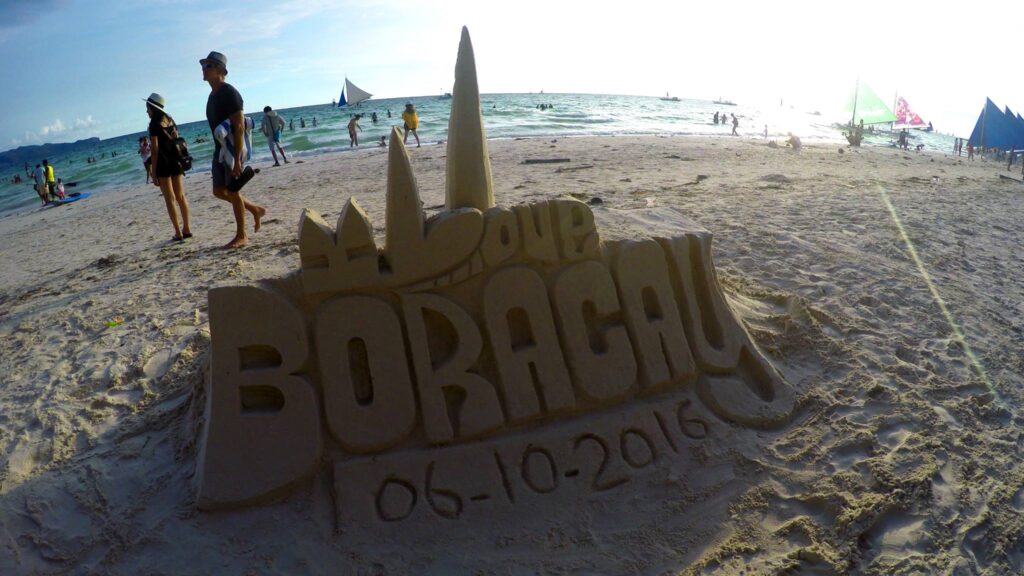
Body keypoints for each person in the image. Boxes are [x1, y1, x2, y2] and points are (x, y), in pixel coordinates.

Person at [201, 51, 265, 249]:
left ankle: (242, 235)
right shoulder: (212, 96)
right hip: (219, 149)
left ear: (221, 70)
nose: (204, 68)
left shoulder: (229, 93)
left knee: (233, 190)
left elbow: (238, 126)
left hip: (232, 150)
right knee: (219, 191)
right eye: (203, 65)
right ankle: (255, 209)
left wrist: (237, 158)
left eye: (209, 65)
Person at [145, 93, 192, 242]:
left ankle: (178, 233)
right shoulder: (170, 119)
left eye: (147, 108)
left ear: (152, 108)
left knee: (169, 199)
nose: (146, 112)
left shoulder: (153, 124)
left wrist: (153, 171)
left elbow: (154, 149)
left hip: (164, 164)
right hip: (176, 161)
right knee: (181, 196)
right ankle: (187, 228)